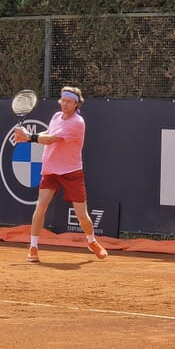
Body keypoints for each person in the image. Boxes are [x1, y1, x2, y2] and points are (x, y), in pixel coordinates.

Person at [13, 86, 108, 263]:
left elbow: (51, 140)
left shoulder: (77, 123)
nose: (65, 104)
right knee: (40, 207)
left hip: (71, 171)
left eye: (69, 101)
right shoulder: (56, 116)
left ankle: (91, 241)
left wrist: (29, 137)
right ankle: (33, 247)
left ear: (76, 104)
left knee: (82, 215)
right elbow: (48, 133)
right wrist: (28, 136)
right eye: (63, 100)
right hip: (50, 169)